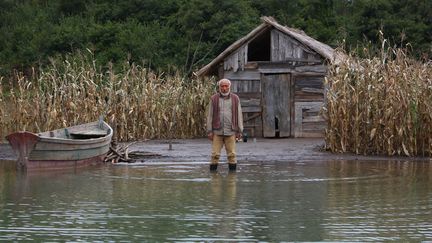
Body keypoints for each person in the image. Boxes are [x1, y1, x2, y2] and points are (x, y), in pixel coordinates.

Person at [206, 78, 243, 172]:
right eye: (222, 86)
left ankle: (232, 179)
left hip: (231, 131)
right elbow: (210, 115)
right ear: (219, 87)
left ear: (229, 87)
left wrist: (239, 130)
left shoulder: (235, 98)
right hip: (217, 131)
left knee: (232, 155)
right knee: (215, 155)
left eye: (226, 86)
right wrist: (209, 131)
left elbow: (239, 115)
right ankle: (214, 180)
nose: (224, 88)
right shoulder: (213, 98)